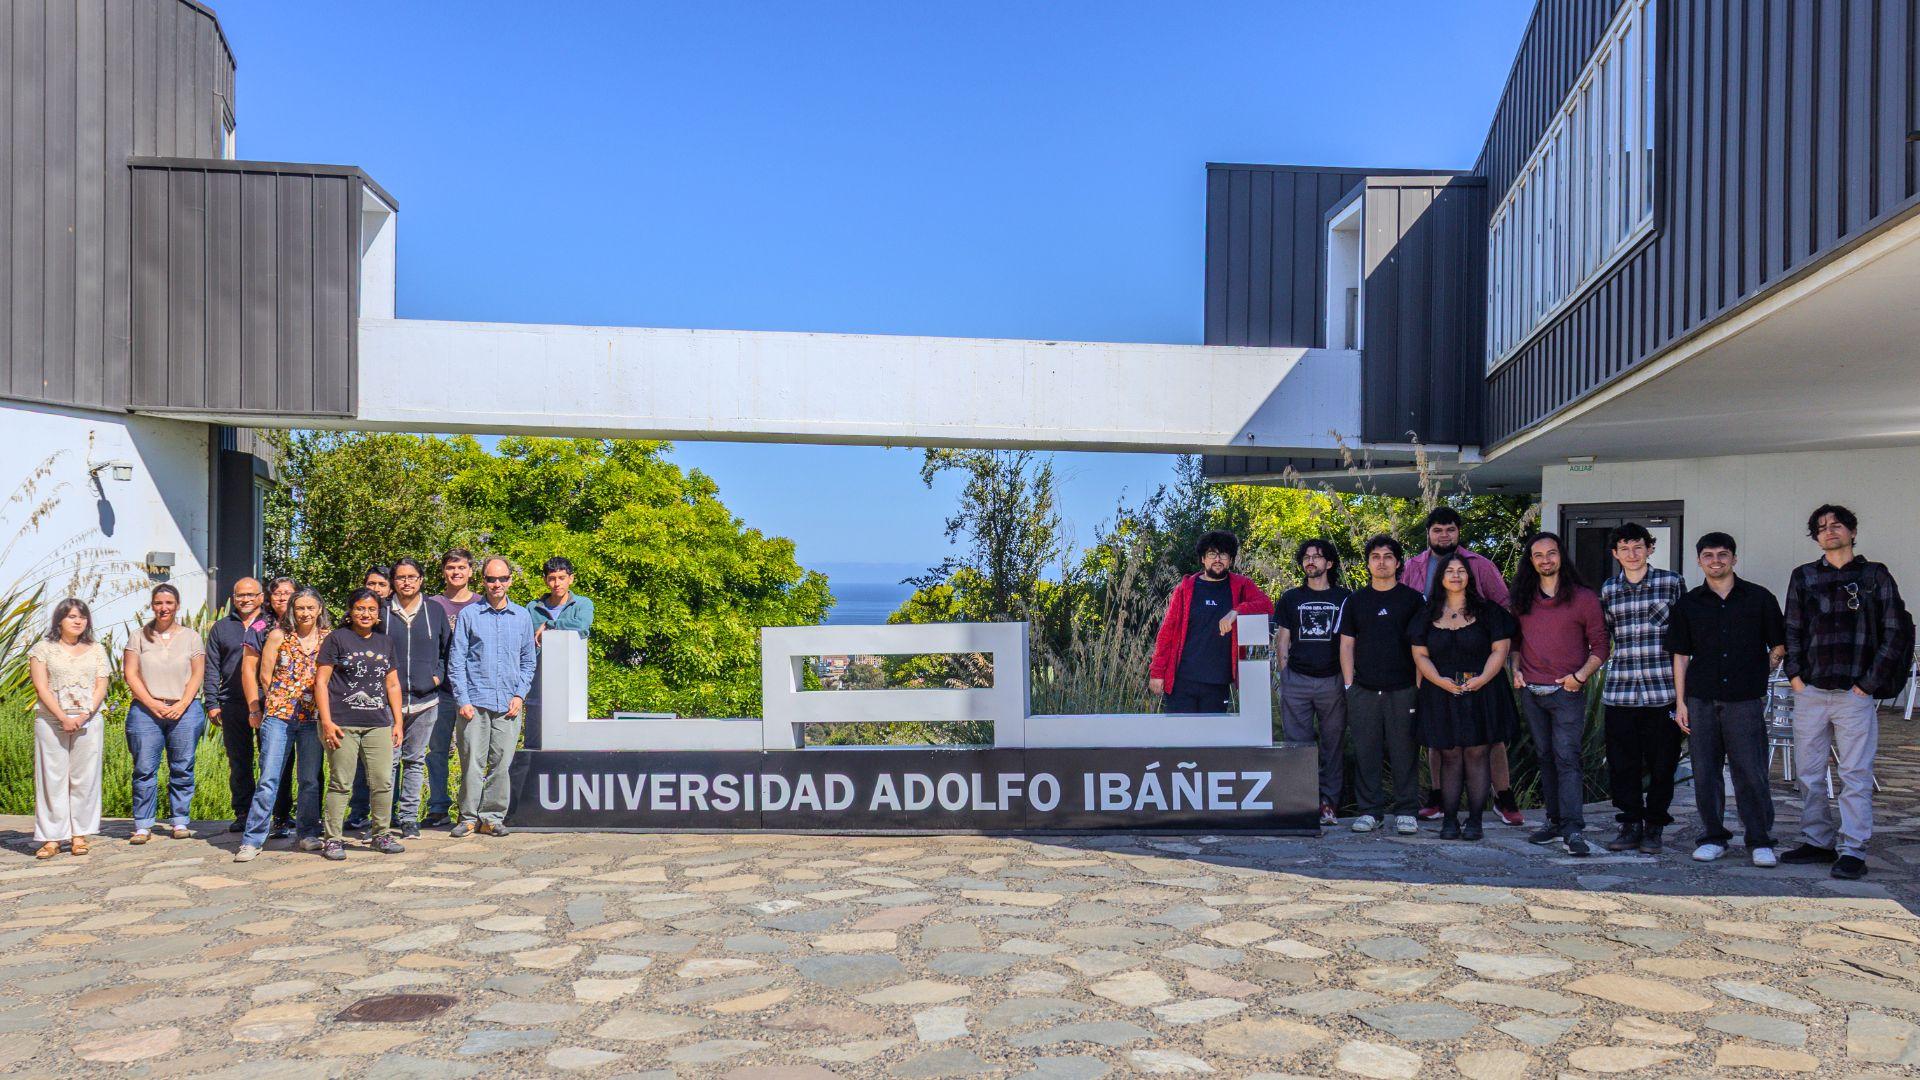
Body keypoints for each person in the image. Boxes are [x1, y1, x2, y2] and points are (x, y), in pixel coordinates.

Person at [1780, 505, 1912, 880]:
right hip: (1811, 691)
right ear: (1815, 537)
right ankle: (1817, 841)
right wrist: (1795, 677)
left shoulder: (1874, 576)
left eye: (1836, 526)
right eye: (1821, 528)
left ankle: (1853, 848)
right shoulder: (1804, 577)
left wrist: (1867, 684)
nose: (1829, 532)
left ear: (1852, 532)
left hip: (1854, 693)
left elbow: (1895, 630)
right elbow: (1792, 628)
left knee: (1854, 772)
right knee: (1808, 772)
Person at [1401, 507, 1525, 827]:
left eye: (1451, 530)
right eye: (1438, 530)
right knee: (1438, 737)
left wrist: (1504, 661)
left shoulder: (1479, 565)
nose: (1445, 535)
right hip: (1432, 661)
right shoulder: (1413, 567)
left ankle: (1504, 796)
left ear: (1459, 533)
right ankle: (1439, 796)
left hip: (1478, 660)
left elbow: (1503, 606)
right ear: (1428, 533)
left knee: (1488, 738)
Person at [1670, 532, 1786, 868]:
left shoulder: (1760, 598)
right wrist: (1681, 701)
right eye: (1708, 555)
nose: (1716, 561)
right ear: (1699, 560)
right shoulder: (1688, 604)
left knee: (1750, 771)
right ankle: (1713, 837)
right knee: (1705, 771)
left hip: (1744, 699)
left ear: (1734, 558)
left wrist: (1760, 668)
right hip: (1701, 698)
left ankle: (1760, 839)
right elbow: (1680, 655)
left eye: (1723, 554)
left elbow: (1778, 643)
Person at [1510, 531, 1609, 857]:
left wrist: (1579, 678)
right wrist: (1516, 668)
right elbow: (1515, 643)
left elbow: (1600, 647)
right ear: (1531, 561)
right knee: (1546, 757)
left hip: (1567, 693)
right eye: (1538, 555)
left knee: (1567, 758)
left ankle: (1573, 829)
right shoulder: (1523, 598)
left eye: (1551, 553)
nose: (1545, 560)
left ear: (1561, 556)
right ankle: (1553, 821)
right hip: (1532, 692)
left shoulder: (1583, 598)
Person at [1597, 523, 1687, 854]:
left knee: (1664, 763)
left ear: (1650, 548)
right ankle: (1630, 823)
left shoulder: (1671, 583)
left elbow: (1684, 638)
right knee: (1623, 763)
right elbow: (1602, 636)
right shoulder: (1608, 590)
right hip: (1621, 691)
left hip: (1661, 690)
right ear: (1615, 554)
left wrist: (1683, 696)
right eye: (1624, 548)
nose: (1632, 554)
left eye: (1638, 547)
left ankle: (1655, 826)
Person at [1340, 535, 1426, 835]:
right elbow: (1347, 645)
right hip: (1364, 690)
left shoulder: (1413, 600)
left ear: (1398, 562)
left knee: (1405, 751)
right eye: (1375, 556)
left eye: (1388, 556)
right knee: (1367, 751)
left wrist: (1417, 685)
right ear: (1368, 563)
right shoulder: (1355, 601)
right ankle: (1370, 811)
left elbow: (1421, 646)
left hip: (1403, 689)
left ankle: (1406, 811)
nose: (1381, 561)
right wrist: (1349, 685)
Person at [237, 587, 330, 860]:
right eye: (300, 607)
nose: (305, 613)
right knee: (269, 778)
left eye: (310, 608)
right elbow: (265, 675)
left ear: (319, 610)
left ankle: (308, 833)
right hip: (280, 716)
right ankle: (253, 839)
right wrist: (276, 701)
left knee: (310, 779)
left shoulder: (328, 639)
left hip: (313, 718)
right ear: (292, 610)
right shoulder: (278, 635)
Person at [448, 556, 538, 837]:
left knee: (501, 764)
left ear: (510, 580)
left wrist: (520, 695)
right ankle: (468, 817)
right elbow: (456, 660)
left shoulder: (523, 616)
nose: (496, 584)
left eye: (502, 579)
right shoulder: (469, 615)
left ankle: (492, 817)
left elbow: (528, 661)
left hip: (509, 703)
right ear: (483, 581)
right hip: (475, 701)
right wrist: (462, 699)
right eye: (491, 579)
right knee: (472, 762)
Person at [317, 589, 407, 860]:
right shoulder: (336, 639)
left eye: (371, 609)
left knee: (382, 780)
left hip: (378, 723)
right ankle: (332, 839)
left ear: (379, 613)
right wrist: (326, 721)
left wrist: (398, 721)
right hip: (342, 723)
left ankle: (381, 834)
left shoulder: (385, 642)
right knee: (341, 782)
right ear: (350, 610)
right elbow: (321, 682)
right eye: (359, 608)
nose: (365, 614)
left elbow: (392, 684)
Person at [371, 558, 454, 839]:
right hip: (386, 702)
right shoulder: (381, 612)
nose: (406, 582)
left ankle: (408, 819)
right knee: (386, 763)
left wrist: (436, 677)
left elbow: (447, 651)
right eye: (401, 577)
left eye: (412, 577)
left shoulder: (434, 610)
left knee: (415, 761)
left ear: (421, 580)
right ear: (393, 581)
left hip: (424, 700)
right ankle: (383, 820)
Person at [1149, 531, 1275, 713]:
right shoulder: (1186, 589)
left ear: (1230, 560)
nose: (1218, 559)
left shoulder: (1241, 585)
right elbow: (1167, 632)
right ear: (1203, 559)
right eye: (1212, 554)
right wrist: (1157, 673)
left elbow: (1266, 605)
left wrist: (1236, 612)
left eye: (1223, 554)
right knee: (1180, 739)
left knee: (1212, 740)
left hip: (1218, 683)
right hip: (1182, 681)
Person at [123, 584, 208, 844]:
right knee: (144, 768)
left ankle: (180, 820)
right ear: (152, 605)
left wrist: (182, 704)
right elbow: (130, 674)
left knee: (182, 767)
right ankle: (143, 824)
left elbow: (197, 674)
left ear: (177, 606)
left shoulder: (191, 637)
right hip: (146, 710)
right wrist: (152, 703)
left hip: (185, 709)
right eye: (159, 603)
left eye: (169, 603)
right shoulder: (138, 636)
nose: (164, 608)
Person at [27, 599, 110, 858]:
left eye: (82, 617)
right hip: (51, 721)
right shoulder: (43, 649)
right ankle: (52, 837)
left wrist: (85, 714)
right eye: (72, 616)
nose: (78, 621)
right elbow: (41, 686)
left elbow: (101, 685)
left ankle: (79, 835)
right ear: (59, 620)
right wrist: (62, 716)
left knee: (84, 779)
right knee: (52, 778)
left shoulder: (96, 649)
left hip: (89, 721)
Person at [1278, 538, 1352, 826]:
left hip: (1332, 681)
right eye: (1306, 557)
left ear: (1329, 563)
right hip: (1296, 679)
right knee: (1298, 745)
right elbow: (1282, 639)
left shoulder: (1345, 598)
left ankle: (1328, 804)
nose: (1311, 561)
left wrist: (1347, 680)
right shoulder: (1290, 598)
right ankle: (1302, 804)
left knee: (1333, 745)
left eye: (1317, 557)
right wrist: (1285, 674)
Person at [204, 577, 270, 832]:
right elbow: (212, 667)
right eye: (240, 595)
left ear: (261, 598)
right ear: (234, 597)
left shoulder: (271, 625)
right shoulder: (221, 628)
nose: (245, 599)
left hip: (266, 702)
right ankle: (243, 812)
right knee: (239, 760)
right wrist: (212, 702)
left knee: (270, 760)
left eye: (251, 595)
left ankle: (271, 812)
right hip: (232, 703)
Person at [422, 549, 480, 827]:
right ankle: (438, 807)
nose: (456, 572)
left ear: (471, 571)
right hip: (442, 692)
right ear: (444, 571)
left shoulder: (482, 603)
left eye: (461, 567)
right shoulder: (432, 605)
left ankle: (471, 810)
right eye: (450, 567)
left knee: (473, 753)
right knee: (437, 752)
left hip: (475, 692)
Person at [243, 576, 299, 838]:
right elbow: (250, 669)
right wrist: (256, 706)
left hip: (308, 708)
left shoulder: (306, 621)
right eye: (277, 593)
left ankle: (311, 818)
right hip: (273, 707)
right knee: (275, 766)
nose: (282, 597)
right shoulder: (260, 626)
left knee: (311, 768)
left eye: (288, 593)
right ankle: (279, 817)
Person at [346, 564, 399, 829]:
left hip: (388, 697)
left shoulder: (394, 616)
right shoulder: (359, 617)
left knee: (387, 765)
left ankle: (389, 817)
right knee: (358, 763)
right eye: (371, 584)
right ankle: (358, 812)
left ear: (390, 588)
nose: (375, 589)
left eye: (381, 584)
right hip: (357, 698)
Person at [530, 556, 594, 642]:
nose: (557, 583)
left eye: (562, 578)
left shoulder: (582, 604)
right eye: (552, 579)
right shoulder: (533, 608)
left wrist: (549, 624)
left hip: (572, 655)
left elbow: (582, 625)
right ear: (545, 580)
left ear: (571, 579)